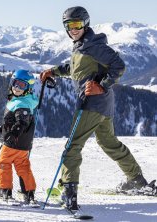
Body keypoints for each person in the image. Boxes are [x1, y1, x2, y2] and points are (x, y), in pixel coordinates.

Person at [40, 6, 150, 210]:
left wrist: (102, 85)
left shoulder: (93, 45)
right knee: (109, 143)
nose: (73, 29)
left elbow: (119, 66)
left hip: (92, 104)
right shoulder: (82, 45)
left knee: (72, 147)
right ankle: (137, 181)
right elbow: (75, 69)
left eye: (77, 25)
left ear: (85, 24)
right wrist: (54, 71)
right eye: (69, 25)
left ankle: (69, 195)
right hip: (104, 106)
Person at [0, 69, 38, 204]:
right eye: (15, 83)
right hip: (24, 145)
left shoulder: (22, 104)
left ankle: (5, 191)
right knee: (23, 166)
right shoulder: (26, 100)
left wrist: (13, 133)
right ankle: (29, 192)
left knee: (4, 163)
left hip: (12, 143)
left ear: (28, 88)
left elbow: (22, 122)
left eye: (22, 85)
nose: (17, 88)